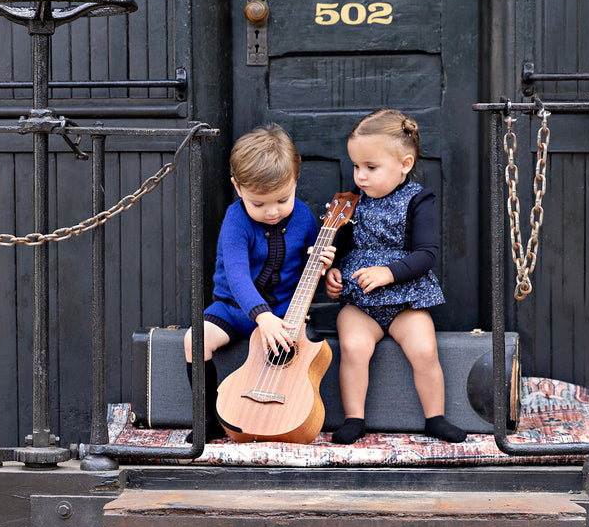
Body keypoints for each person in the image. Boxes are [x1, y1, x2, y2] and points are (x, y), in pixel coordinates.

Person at [324, 109, 468, 444]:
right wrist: (331, 273)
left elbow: (426, 253)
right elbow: (341, 249)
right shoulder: (351, 202)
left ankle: (435, 418)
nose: (360, 176)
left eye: (371, 168)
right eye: (356, 166)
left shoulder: (417, 199)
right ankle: (353, 418)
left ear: (404, 164)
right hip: (361, 301)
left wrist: (389, 272)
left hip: (406, 299)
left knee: (424, 350)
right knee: (353, 347)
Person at [184, 123, 335, 442]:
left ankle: (292, 412)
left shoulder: (305, 217)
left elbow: (310, 265)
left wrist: (322, 264)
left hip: (283, 314)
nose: (272, 212)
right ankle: (208, 418)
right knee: (194, 340)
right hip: (234, 309)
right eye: (259, 203)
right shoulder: (236, 220)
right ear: (238, 188)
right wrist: (260, 316)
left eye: (282, 200)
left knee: (309, 349)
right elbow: (237, 275)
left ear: (296, 181)